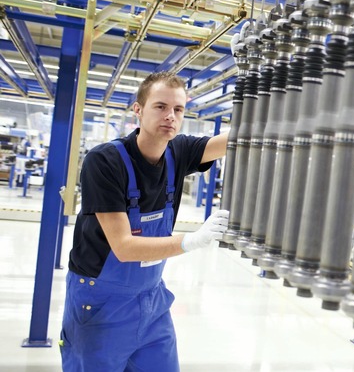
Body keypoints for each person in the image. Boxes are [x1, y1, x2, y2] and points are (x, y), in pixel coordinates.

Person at [60, 71, 230, 371]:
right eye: (160, 106)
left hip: (152, 302)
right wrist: (191, 241)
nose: (170, 116)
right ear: (138, 110)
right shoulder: (104, 161)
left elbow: (241, 140)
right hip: (101, 304)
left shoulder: (178, 151)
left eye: (178, 109)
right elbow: (124, 247)